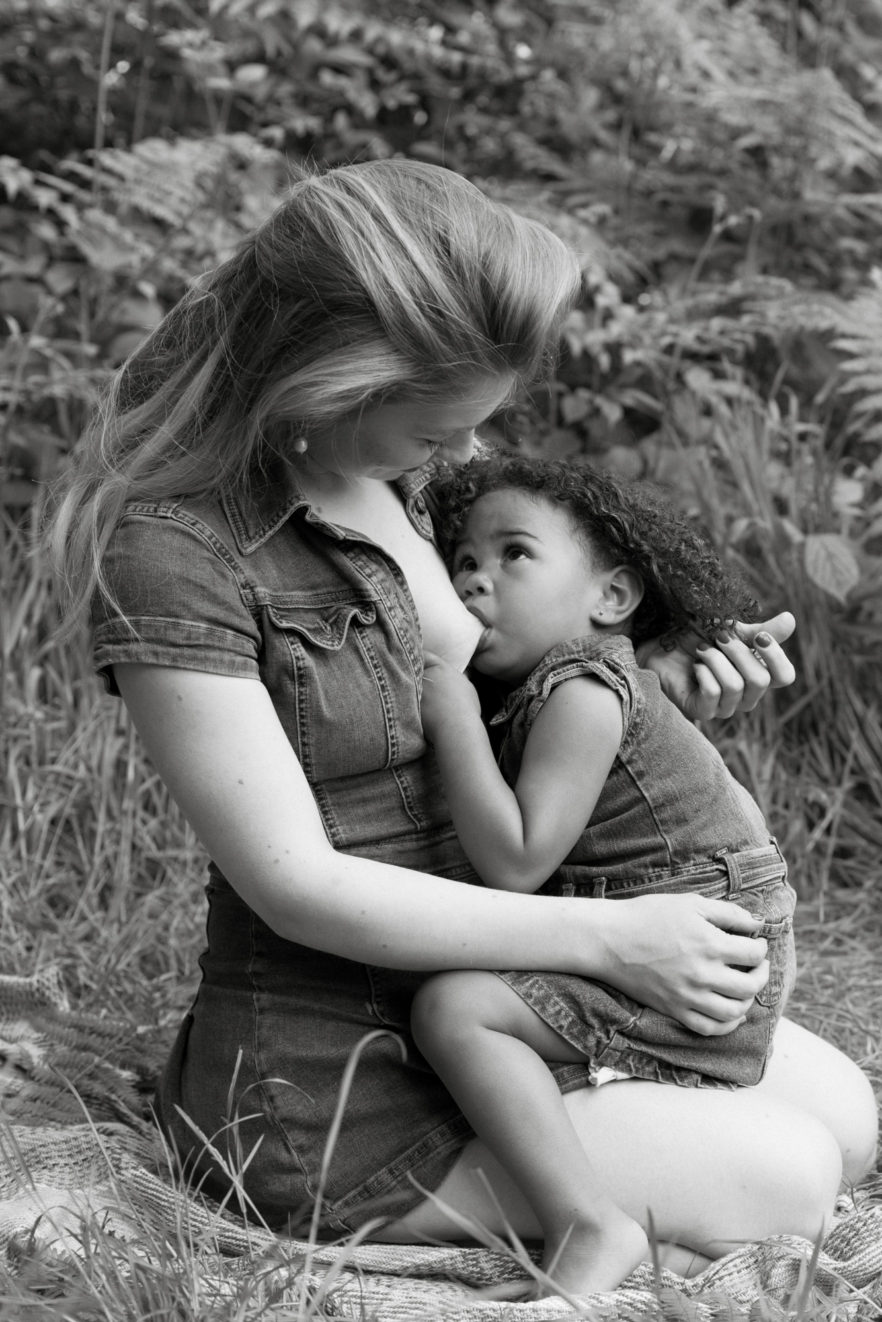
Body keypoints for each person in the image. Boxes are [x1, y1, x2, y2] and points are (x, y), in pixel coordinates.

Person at [48, 159, 876, 1285]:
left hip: (487, 1005)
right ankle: (525, 1201)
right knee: (792, 1171)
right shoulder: (176, 553)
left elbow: (484, 686)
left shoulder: (391, 476)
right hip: (335, 1079)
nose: (451, 459)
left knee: (847, 1110)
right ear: (329, 378)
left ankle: (587, 1147)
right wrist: (616, 938)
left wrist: (640, 670)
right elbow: (296, 880)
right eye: (428, 430)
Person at [413, 453, 799, 1294]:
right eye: (464, 564)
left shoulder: (582, 687)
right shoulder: (560, 686)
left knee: (457, 1011)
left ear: (611, 598)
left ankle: (590, 1226)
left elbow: (516, 861)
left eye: (514, 554)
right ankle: (680, 1228)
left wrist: (449, 716)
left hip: (710, 948)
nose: (477, 582)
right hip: (700, 925)